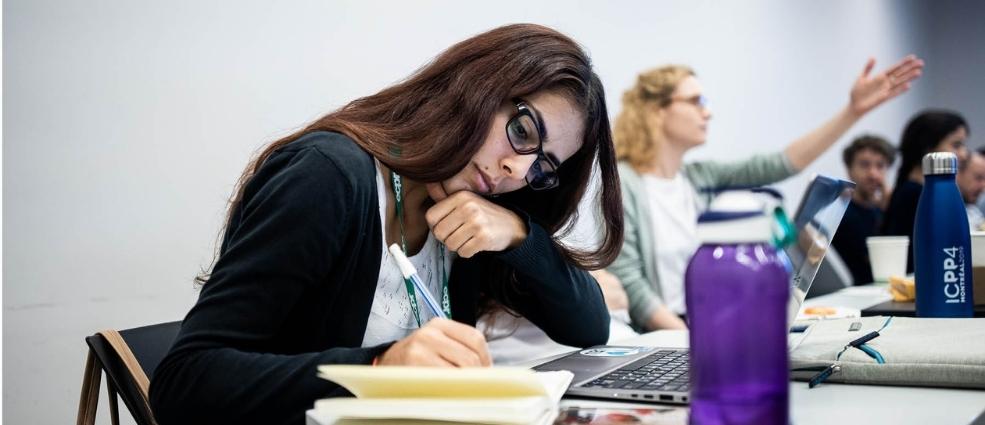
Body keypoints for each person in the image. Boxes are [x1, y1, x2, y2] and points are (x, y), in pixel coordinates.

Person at [149, 24, 624, 425]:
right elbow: (183, 382)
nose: (517, 172)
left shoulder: (467, 213)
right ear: (474, 86)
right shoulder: (329, 176)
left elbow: (589, 326)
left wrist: (520, 236)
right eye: (522, 131)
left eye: (541, 168)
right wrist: (379, 368)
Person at [609, 56, 924, 331]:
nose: (708, 113)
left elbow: (780, 164)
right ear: (657, 110)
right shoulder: (626, 183)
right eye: (696, 101)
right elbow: (633, 287)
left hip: (710, 325)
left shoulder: (695, 178)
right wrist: (692, 341)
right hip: (670, 335)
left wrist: (852, 112)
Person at [882, 109, 970, 272]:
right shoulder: (913, 195)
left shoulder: (922, 193)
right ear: (927, 147)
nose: (964, 154)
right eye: (956, 145)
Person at [831, 135, 896, 285]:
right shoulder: (839, 214)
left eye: (880, 166)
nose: (873, 174)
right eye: (865, 165)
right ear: (849, 169)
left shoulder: (882, 211)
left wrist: (892, 211)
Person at [957, 149, 985, 231]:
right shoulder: (943, 210)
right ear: (958, 173)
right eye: (978, 178)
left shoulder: (974, 212)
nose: (983, 186)